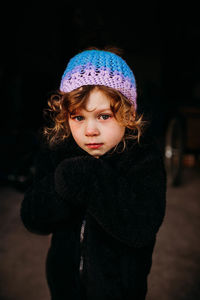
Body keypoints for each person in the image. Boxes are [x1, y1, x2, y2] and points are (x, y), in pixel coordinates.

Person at [20, 48, 167, 300]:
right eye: (78, 117)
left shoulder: (143, 158)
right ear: (65, 116)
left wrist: (92, 178)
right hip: (63, 284)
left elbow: (142, 227)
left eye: (104, 116)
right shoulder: (59, 152)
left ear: (129, 114)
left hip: (120, 290)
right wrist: (64, 180)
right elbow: (33, 218)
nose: (90, 130)